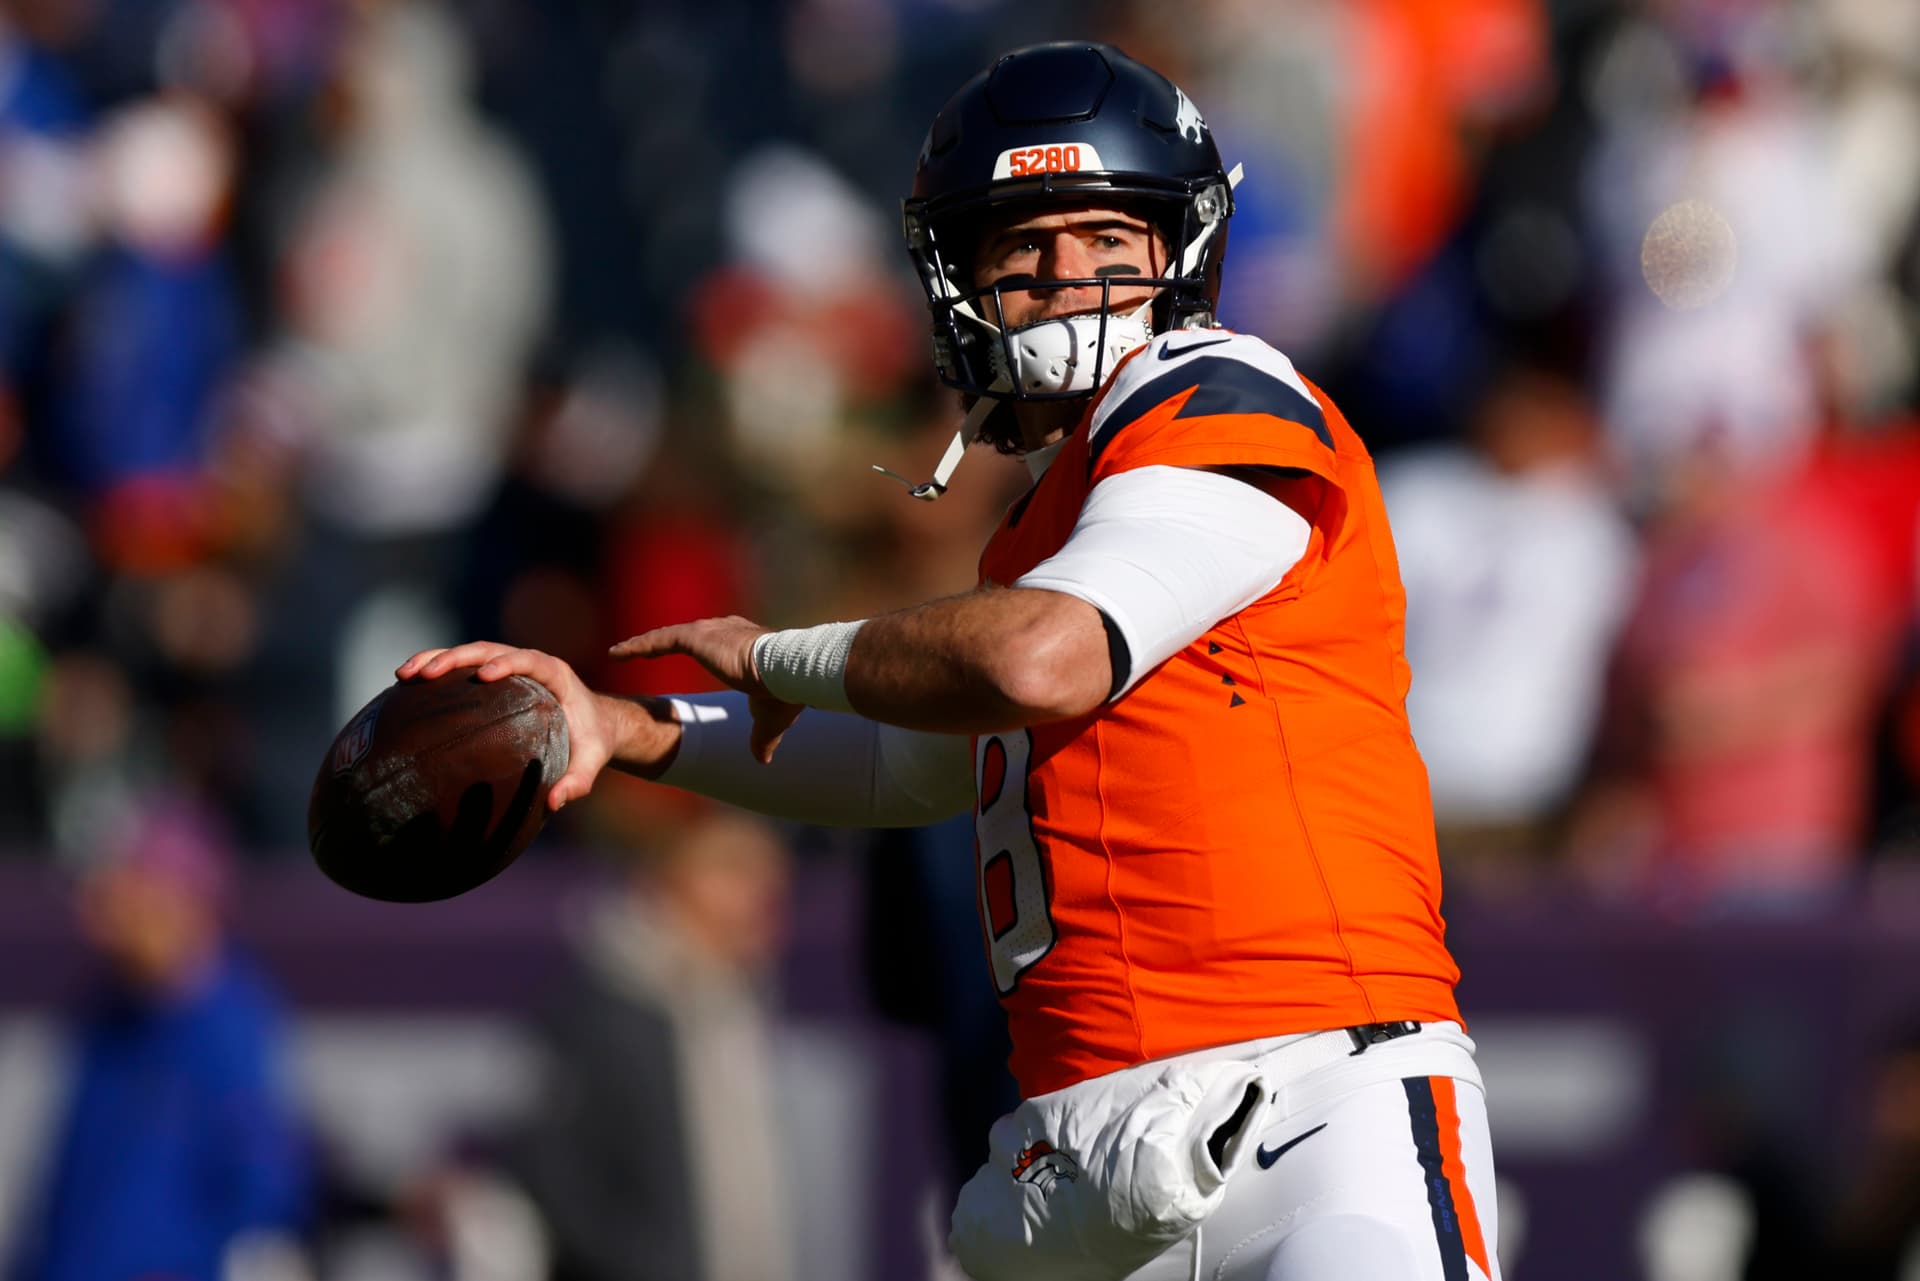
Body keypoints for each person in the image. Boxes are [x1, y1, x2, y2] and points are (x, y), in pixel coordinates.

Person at [402, 42, 1498, 1281]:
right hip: (1085, 1177)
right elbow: (910, 766)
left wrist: (781, 655)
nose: (1062, 281)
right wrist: (625, 727)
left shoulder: (1222, 388)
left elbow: (1041, 660)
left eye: (1102, 242)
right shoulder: (1041, 537)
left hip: (1303, 1125)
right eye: (1020, 250)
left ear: (1178, 253)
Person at [6, 796, 312, 1281]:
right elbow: (66, 1192)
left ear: (183, 901)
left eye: (129, 889)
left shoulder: (229, 1026)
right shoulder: (101, 1010)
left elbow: (263, 1194)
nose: (102, 912)